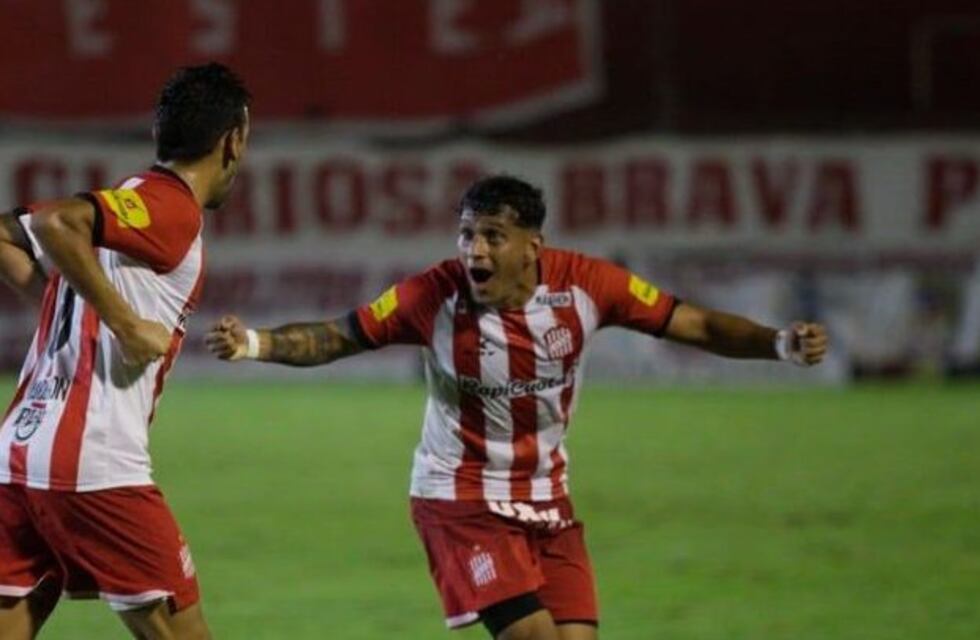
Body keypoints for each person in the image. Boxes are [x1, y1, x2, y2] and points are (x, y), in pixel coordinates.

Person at [205, 175, 828, 640]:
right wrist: (254, 344)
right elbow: (340, 335)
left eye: (492, 237)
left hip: (547, 499)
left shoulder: (587, 285)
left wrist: (777, 344)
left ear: (533, 246)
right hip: (461, 498)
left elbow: (688, 322)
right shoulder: (434, 294)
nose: (474, 251)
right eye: (467, 234)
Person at [0, 63, 250, 640]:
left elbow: (13, 231)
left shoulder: (127, 200)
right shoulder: (170, 208)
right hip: (93, 464)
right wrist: (124, 322)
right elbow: (57, 221)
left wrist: (63, 300)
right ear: (232, 140)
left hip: (18, 452)